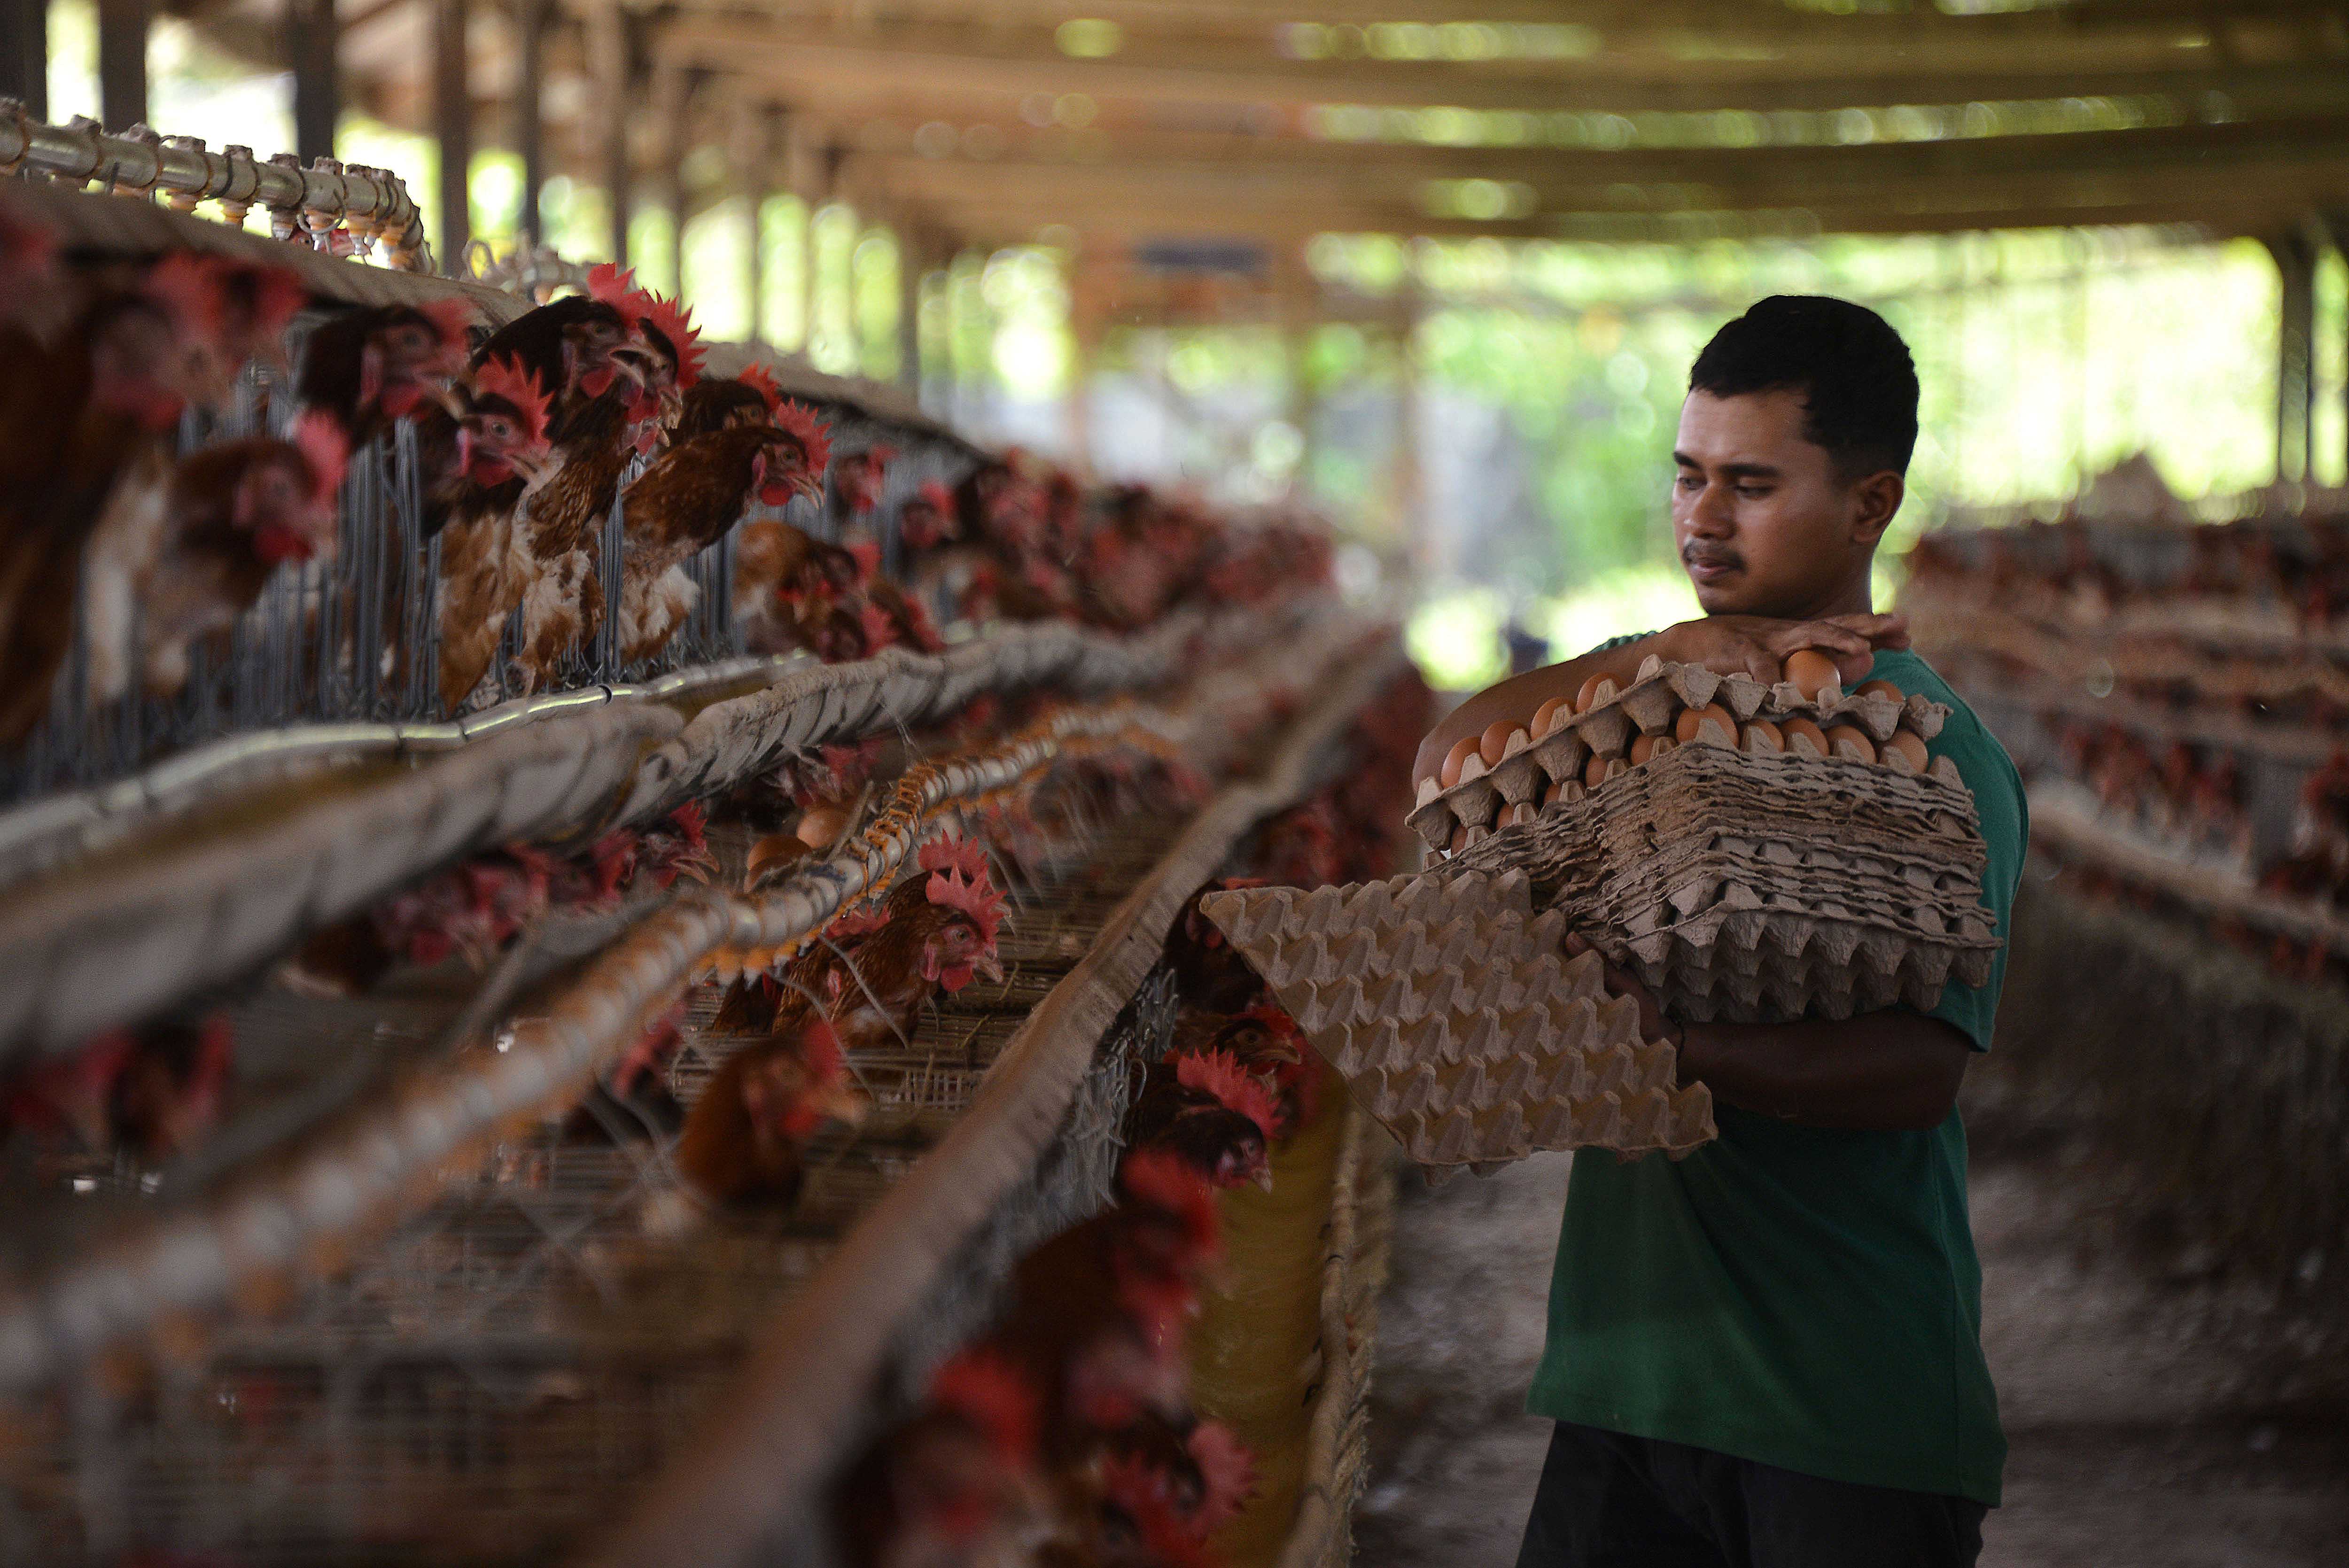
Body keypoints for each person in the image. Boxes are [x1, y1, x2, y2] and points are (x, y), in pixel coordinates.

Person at [1415, 296, 2026, 1568]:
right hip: (1624, 1389)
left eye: (1751, 484)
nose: (1702, 516)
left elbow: (1920, 1072)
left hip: (1839, 1405)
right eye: (1689, 475)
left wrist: (1669, 1047)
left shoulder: (1934, 753)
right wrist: (1676, 653)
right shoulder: (1646, 689)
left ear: (1869, 504)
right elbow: (1446, 767)